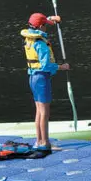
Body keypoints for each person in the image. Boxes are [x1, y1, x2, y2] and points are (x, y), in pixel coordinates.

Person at [21, 13, 70, 152]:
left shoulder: (29, 37)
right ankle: (45, 143)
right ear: (41, 27)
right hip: (41, 78)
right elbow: (45, 65)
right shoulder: (41, 44)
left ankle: (39, 141)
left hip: (32, 77)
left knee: (39, 111)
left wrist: (52, 19)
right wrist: (62, 67)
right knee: (44, 112)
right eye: (45, 26)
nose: (46, 28)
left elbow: (41, 21)